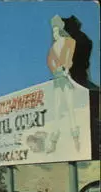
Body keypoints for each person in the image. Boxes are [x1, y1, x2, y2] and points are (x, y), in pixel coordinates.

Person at [45, 15, 80, 153]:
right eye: (52, 31)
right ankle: (54, 139)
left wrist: (66, 67)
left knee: (70, 106)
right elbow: (49, 61)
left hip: (67, 77)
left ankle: (76, 138)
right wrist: (55, 70)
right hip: (57, 79)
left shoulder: (69, 41)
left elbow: (70, 56)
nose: (54, 34)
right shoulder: (53, 47)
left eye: (56, 31)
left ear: (60, 30)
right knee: (57, 109)